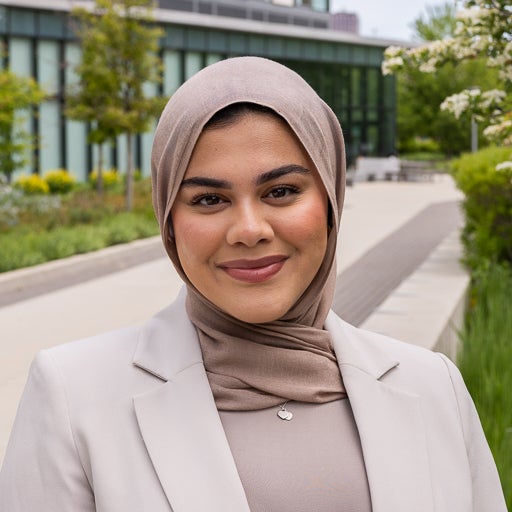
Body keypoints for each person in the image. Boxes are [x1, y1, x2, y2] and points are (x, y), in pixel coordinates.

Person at [0, 57, 506, 511]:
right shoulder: (74, 397)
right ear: (168, 221)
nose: (249, 230)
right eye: (208, 200)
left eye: (281, 191)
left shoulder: (431, 385)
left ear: (331, 201)